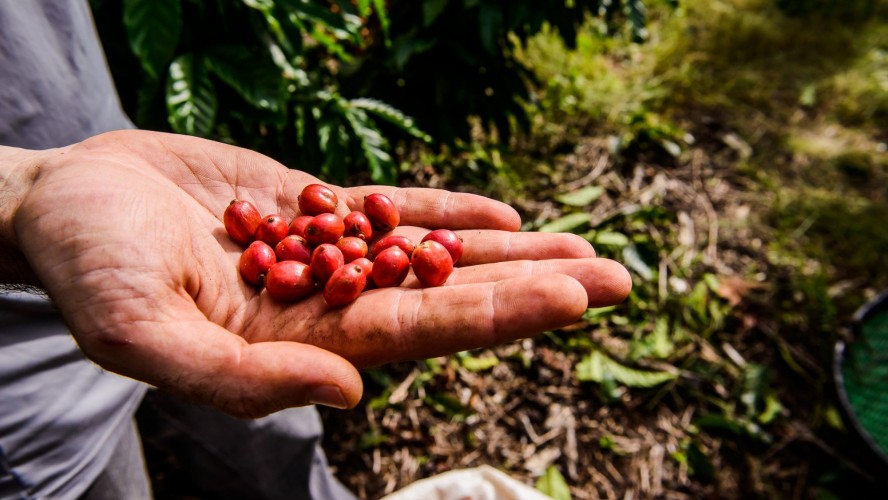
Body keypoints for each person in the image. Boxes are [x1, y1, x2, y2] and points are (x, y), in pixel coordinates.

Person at [0, 1, 632, 498]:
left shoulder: (297, 250)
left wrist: (41, 181)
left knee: (283, 450)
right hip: (27, 399)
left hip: (141, 209)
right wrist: (22, 199)